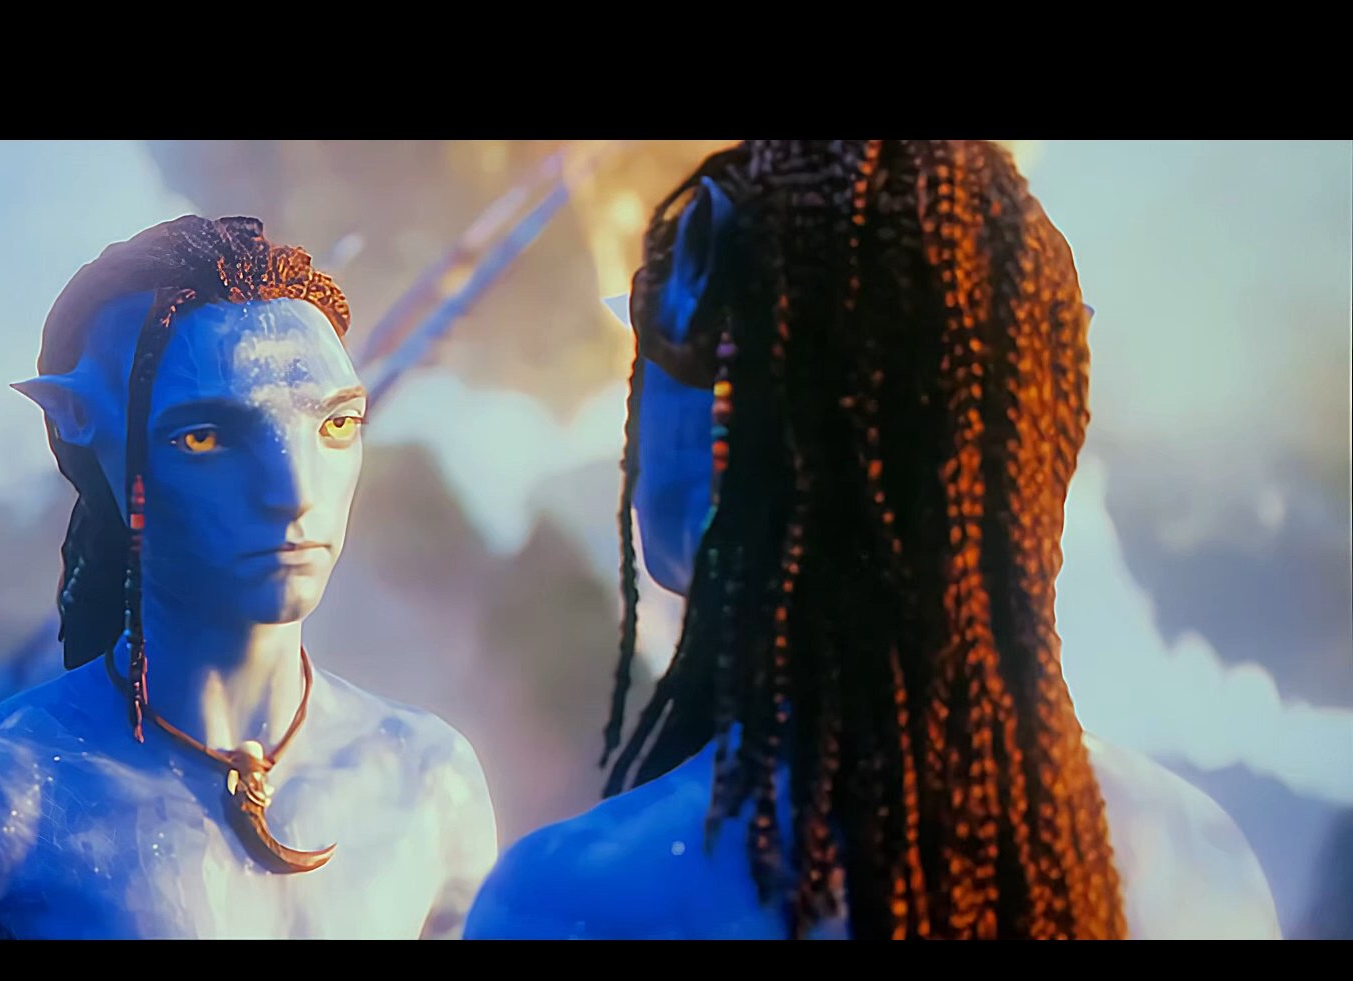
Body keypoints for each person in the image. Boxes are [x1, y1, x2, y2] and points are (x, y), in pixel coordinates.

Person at [464, 140, 1281, 939]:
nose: (635, 407)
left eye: (659, 336)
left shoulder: (575, 899)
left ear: (763, 419)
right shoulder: (1197, 861)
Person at [0, 215, 497, 938]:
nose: (294, 491)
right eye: (204, 437)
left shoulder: (431, 781)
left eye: (335, 425)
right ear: (78, 421)